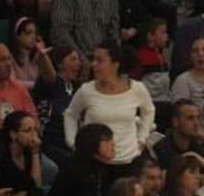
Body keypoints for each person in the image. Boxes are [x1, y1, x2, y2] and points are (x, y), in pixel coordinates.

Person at [63, 40, 155, 169]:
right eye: (93, 60)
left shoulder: (137, 88)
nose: (93, 65)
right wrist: (72, 142)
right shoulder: (86, 90)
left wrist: (142, 138)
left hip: (129, 160)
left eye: (99, 61)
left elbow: (149, 111)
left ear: (115, 65)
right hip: (94, 162)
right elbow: (70, 115)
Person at [33, 45, 82, 169]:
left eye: (78, 59)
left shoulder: (78, 89)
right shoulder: (53, 84)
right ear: (59, 64)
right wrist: (43, 56)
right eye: (73, 59)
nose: (78, 63)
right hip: (49, 144)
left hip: (70, 145)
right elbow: (49, 74)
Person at [152, 99, 204, 168]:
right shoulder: (162, 150)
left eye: (197, 118)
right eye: (190, 118)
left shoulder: (199, 149)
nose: (196, 123)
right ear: (176, 122)